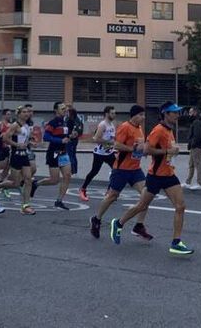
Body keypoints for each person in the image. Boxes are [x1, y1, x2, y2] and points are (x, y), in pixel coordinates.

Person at [111, 102, 192, 255]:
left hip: (169, 174)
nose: (177, 115)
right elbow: (146, 150)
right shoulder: (158, 130)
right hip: (155, 176)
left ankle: (176, 242)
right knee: (141, 206)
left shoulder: (169, 130)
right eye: (174, 112)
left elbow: (167, 151)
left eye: (178, 112)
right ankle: (119, 223)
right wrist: (168, 151)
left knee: (180, 206)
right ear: (165, 114)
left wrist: (173, 152)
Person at [89, 105, 152, 241]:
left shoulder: (139, 128)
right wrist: (133, 149)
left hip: (135, 169)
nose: (143, 117)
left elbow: (139, 147)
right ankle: (96, 219)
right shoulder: (125, 127)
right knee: (112, 196)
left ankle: (139, 226)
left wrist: (144, 151)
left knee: (146, 196)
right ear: (134, 115)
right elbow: (117, 145)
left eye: (143, 115)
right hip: (121, 169)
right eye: (141, 115)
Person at [33, 102, 72, 210]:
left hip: (63, 152)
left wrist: (71, 136)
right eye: (62, 108)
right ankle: (36, 184)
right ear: (56, 110)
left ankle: (59, 201)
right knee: (54, 180)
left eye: (65, 108)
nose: (65, 110)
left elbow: (65, 136)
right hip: (53, 153)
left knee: (67, 176)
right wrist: (60, 140)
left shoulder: (65, 122)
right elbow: (46, 137)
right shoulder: (53, 123)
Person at [2, 104, 36, 215]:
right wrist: (16, 145)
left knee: (28, 179)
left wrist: (30, 143)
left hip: (24, 154)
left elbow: (24, 139)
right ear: (18, 114)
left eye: (27, 112)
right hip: (16, 155)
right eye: (24, 112)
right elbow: (5, 138)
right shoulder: (15, 125)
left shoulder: (26, 125)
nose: (27, 114)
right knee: (15, 183)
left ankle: (26, 205)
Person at [79, 106, 117, 201]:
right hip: (100, 154)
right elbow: (96, 139)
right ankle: (83, 189)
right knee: (94, 172)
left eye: (114, 113)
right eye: (112, 113)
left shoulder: (112, 125)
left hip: (109, 153)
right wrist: (109, 142)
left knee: (117, 170)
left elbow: (111, 138)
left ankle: (109, 192)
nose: (114, 115)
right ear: (107, 114)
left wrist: (114, 143)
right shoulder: (102, 125)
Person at [185, 107, 201, 190]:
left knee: (197, 164)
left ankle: (199, 183)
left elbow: (197, 136)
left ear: (195, 113)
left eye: (190, 112)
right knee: (191, 164)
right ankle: (188, 182)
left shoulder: (197, 123)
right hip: (194, 146)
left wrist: (193, 144)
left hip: (196, 147)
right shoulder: (195, 122)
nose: (189, 114)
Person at [64, 104, 82, 175]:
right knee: (73, 155)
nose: (66, 112)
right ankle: (75, 170)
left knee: (70, 155)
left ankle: (72, 170)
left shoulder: (70, 120)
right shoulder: (78, 119)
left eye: (67, 111)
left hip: (70, 139)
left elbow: (68, 131)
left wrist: (68, 136)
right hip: (75, 140)